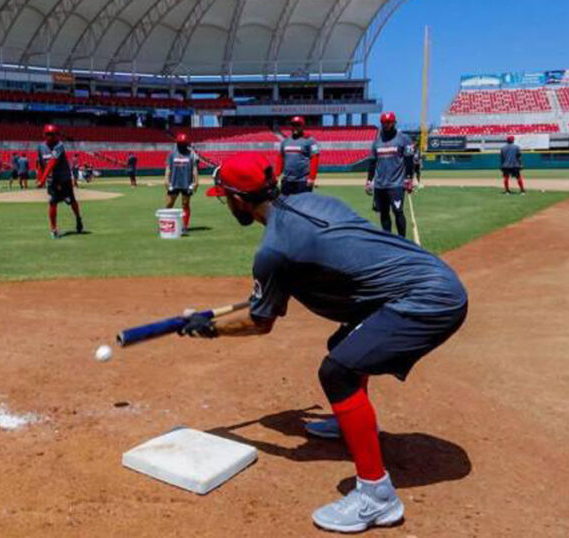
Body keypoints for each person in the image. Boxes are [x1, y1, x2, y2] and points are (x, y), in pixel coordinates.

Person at [184, 153, 467, 533]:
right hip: (430, 277)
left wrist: (209, 328)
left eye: (225, 198)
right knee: (344, 341)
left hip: (429, 301)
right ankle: (348, 424)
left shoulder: (274, 251)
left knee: (338, 372)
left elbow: (259, 321)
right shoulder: (315, 202)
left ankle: (376, 497)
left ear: (238, 200)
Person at [366, 112, 414, 237]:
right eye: (384, 123)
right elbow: (372, 162)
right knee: (384, 213)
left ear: (394, 123)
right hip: (380, 185)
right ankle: (389, 240)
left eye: (389, 122)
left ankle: (402, 240)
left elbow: (409, 160)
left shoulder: (404, 139)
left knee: (398, 212)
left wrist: (409, 178)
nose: (386, 125)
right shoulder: (376, 142)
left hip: (396, 184)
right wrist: (369, 181)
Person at [37, 124, 84, 239]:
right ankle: (53, 229)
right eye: (48, 134)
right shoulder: (40, 147)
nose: (51, 137)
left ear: (57, 135)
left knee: (71, 201)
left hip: (64, 179)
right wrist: (39, 177)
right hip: (52, 180)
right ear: (44, 135)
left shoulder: (60, 146)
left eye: (53, 134)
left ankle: (78, 218)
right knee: (53, 202)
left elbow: (52, 162)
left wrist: (42, 179)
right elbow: (41, 164)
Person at [165, 133, 200, 230]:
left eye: (183, 143)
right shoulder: (172, 154)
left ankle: (185, 225)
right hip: (174, 183)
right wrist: (166, 179)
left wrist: (196, 181)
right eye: (180, 143)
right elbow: (168, 168)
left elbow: (194, 168)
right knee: (169, 204)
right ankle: (165, 223)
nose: (182, 145)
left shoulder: (192, 154)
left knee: (185, 204)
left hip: (187, 184)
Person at [278, 116, 320, 195]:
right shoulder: (285, 141)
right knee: (286, 205)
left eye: (298, 125)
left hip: (302, 181)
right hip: (287, 180)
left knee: (303, 206)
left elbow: (315, 158)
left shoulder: (310, 141)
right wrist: (277, 175)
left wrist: (312, 178)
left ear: (302, 126)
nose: (295, 127)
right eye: (293, 125)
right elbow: (280, 158)